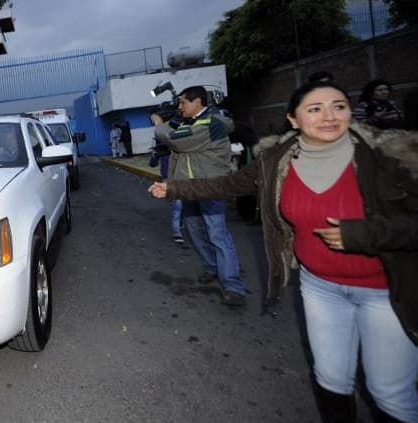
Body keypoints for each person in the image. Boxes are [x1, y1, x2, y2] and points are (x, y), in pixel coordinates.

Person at [148, 81, 418, 423]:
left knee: (389, 393)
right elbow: (229, 184)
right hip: (320, 288)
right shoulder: (278, 161)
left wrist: (365, 233)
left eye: (339, 106)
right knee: (332, 380)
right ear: (294, 119)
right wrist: (172, 188)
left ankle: (231, 283)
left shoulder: (388, 157)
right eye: (315, 109)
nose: (329, 116)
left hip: (385, 292)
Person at [150, 85, 248, 306]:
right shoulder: (190, 123)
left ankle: (232, 285)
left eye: (183, 101)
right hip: (189, 189)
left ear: (198, 102)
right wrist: (172, 185)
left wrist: (159, 125)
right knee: (195, 232)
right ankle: (212, 268)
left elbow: (178, 140)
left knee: (217, 234)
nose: (179, 106)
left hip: (210, 187)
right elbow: (179, 155)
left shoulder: (212, 123)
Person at [148, 147, 184, 245]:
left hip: (179, 179)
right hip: (172, 180)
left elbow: (152, 164)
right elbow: (152, 164)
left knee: (179, 206)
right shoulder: (165, 149)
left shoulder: (177, 147)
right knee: (178, 206)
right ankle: (177, 231)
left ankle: (178, 228)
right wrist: (154, 155)